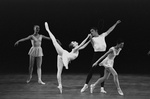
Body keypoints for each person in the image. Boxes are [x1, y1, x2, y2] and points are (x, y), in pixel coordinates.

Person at [45, 22, 91, 93]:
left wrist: (90, 41)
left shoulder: (76, 49)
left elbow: (83, 46)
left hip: (62, 56)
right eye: (74, 42)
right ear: (73, 45)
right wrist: (87, 37)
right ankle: (47, 30)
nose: (75, 41)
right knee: (54, 41)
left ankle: (60, 85)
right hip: (64, 54)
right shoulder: (75, 49)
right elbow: (82, 44)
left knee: (59, 71)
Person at [81, 20, 121, 93]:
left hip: (103, 55)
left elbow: (110, 30)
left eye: (92, 31)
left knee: (102, 72)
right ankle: (86, 85)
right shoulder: (92, 39)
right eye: (90, 31)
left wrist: (115, 24)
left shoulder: (102, 35)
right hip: (96, 55)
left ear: (96, 31)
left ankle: (102, 88)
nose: (91, 33)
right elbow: (92, 45)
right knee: (91, 70)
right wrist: (89, 39)